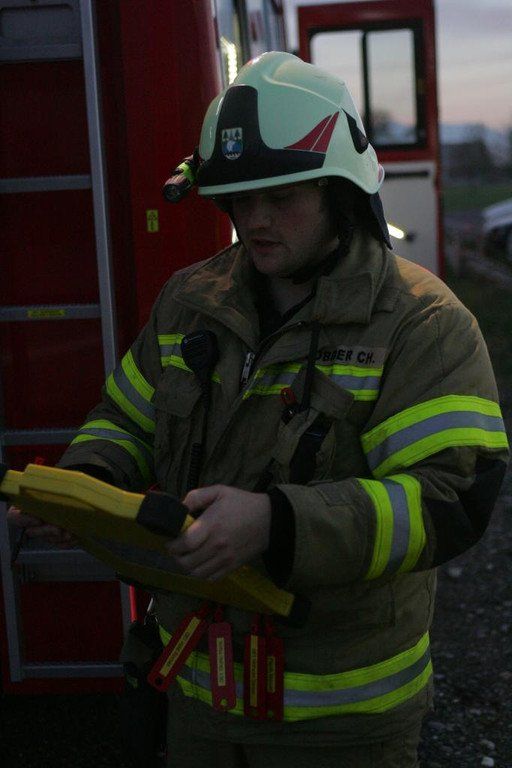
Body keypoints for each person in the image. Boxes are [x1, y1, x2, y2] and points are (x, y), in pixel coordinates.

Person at [8, 52, 509, 767]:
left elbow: (452, 498)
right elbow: (125, 419)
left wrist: (277, 524)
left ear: (341, 190)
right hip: (198, 696)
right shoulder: (191, 302)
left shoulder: (422, 324)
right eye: (240, 199)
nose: (256, 220)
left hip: (340, 722)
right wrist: (84, 484)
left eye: (282, 196)